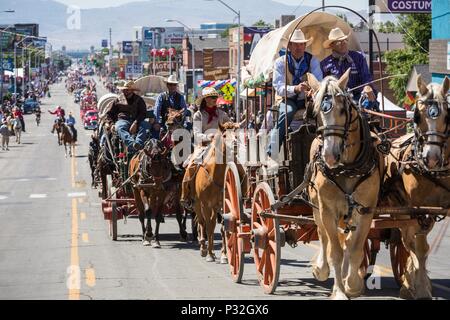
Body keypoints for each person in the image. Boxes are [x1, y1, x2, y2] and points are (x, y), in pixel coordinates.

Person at [266, 29, 323, 170]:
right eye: (295, 44)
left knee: (324, 112)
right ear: (289, 46)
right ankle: (271, 153)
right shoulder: (280, 62)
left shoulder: (312, 60)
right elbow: (278, 87)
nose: (299, 47)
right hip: (287, 98)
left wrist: (312, 90)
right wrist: (295, 89)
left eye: (301, 44)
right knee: (287, 112)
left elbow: (318, 81)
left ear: (305, 46)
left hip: (307, 99)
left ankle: (326, 149)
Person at [180, 87, 230, 210]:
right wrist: (209, 136)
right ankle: (186, 196)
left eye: (215, 97)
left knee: (238, 163)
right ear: (206, 99)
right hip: (203, 146)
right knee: (191, 165)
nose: (215, 99)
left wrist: (233, 127)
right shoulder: (198, 115)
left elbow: (229, 126)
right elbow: (196, 135)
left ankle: (243, 191)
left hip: (220, 146)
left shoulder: (222, 114)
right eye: (212, 97)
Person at [320, 27, 375, 102]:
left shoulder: (359, 57)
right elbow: (323, 85)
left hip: (358, 96)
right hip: (336, 99)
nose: (343, 43)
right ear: (332, 45)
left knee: (369, 101)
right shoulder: (325, 64)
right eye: (339, 42)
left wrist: (367, 86)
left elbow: (366, 77)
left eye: (345, 40)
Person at [105, 80, 150, 153]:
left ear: (132, 90)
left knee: (145, 125)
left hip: (136, 120)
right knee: (119, 127)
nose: (125, 91)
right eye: (124, 90)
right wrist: (112, 124)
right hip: (123, 120)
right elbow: (110, 114)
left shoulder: (139, 100)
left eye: (127, 90)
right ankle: (132, 144)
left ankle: (138, 143)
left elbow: (143, 113)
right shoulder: (118, 100)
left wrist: (136, 122)